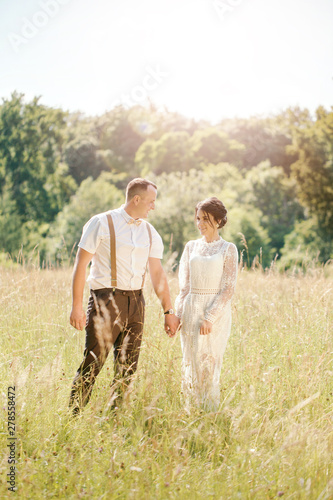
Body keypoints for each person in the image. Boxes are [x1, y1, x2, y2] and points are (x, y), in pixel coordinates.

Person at [69, 178, 179, 413]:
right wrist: (76, 307)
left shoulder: (150, 232)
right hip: (105, 300)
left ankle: (113, 420)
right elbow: (81, 266)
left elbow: (158, 274)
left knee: (128, 368)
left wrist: (168, 311)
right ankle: (72, 418)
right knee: (93, 363)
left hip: (137, 303)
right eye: (151, 201)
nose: (153, 207)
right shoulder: (101, 222)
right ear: (136, 199)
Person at [174, 197, 238, 411]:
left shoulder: (228, 249)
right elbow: (184, 286)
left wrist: (210, 317)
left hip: (215, 313)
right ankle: (191, 411)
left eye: (206, 219)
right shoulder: (191, 247)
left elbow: (228, 288)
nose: (200, 223)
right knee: (191, 361)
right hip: (191, 310)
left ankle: (210, 413)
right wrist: (177, 314)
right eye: (198, 218)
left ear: (219, 221)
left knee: (209, 364)